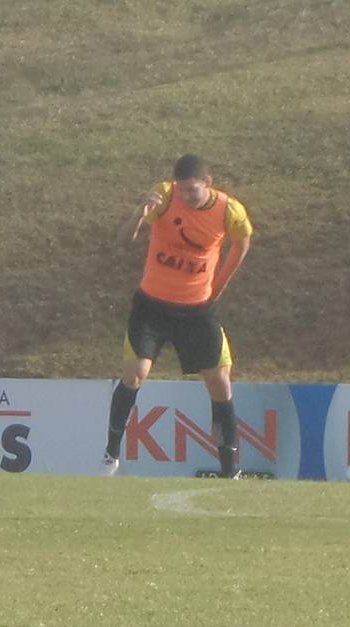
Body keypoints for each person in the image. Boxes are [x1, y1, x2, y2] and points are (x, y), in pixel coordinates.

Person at [105, 154, 254, 477]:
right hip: (152, 306)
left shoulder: (229, 211)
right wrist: (139, 214)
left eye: (192, 190)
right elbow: (123, 240)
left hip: (196, 311)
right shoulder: (165, 195)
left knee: (220, 382)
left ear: (208, 183)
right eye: (182, 189)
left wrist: (218, 285)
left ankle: (229, 470)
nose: (186, 196)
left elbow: (242, 244)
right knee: (134, 375)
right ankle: (110, 456)